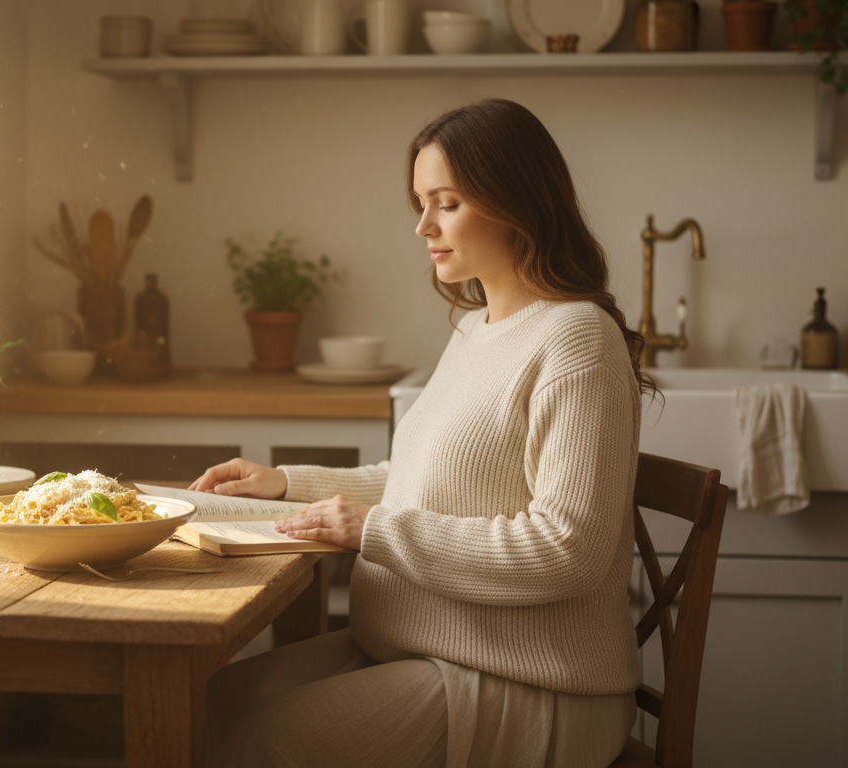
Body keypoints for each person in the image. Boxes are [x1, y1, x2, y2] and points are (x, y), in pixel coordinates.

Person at [191, 98, 652, 768]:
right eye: (420, 202)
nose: (422, 226)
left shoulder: (576, 339)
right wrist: (288, 484)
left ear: (517, 202)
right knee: (200, 702)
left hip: (525, 682)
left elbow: (569, 548)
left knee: (250, 742)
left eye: (446, 203)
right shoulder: (476, 329)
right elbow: (416, 479)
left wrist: (371, 531)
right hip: (418, 648)